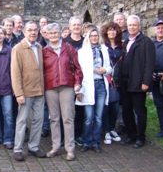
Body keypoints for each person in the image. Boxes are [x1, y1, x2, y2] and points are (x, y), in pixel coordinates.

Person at [43, 23, 83, 161]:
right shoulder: (44, 51)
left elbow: (78, 68)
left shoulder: (69, 48)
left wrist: (78, 83)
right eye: (50, 33)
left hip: (67, 86)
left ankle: (70, 149)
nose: (53, 35)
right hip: (50, 87)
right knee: (54, 118)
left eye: (56, 32)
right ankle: (55, 147)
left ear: (60, 33)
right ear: (46, 35)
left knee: (68, 118)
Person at [11, 21, 46, 161]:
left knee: (38, 120)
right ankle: (17, 149)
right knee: (22, 120)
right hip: (25, 91)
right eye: (30, 30)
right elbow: (15, 72)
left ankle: (34, 147)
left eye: (35, 30)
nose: (33, 32)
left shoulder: (39, 47)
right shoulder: (18, 48)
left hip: (39, 90)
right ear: (24, 32)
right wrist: (18, 93)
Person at [120, 15, 155, 149]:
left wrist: (146, 81)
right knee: (126, 110)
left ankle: (141, 137)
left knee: (139, 111)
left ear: (139, 26)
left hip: (138, 82)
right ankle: (131, 135)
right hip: (125, 83)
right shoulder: (125, 42)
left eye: (134, 25)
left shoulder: (146, 42)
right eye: (129, 25)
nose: (132, 27)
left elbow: (149, 64)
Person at [77, 28, 112, 153]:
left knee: (98, 117)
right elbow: (79, 71)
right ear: (88, 37)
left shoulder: (104, 50)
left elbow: (109, 68)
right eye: (91, 36)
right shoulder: (82, 52)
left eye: (96, 35)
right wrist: (79, 89)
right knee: (88, 117)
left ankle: (96, 142)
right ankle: (86, 141)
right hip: (88, 86)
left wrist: (105, 70)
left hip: (101, 85)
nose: (94, 38)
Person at [101, 22, 123, 145]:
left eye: (114, 30)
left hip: (118, 80)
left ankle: (111, 128)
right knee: (106, 106)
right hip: (106, 79)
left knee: (115, 106)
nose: (112, 32)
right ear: (106, 32)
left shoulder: (121, 46)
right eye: (109, 30)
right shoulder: (103, 47)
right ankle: (106, 131)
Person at [65, 16, 84, 145]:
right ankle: (66, 137)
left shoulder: (86, 41)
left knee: (80, 109)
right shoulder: (64, 42)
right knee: (67, 110)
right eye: (74, 25)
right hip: (69, 79)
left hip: (84, 79)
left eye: (78, 24)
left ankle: (78, 135)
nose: (76, 27)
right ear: (70, 27)